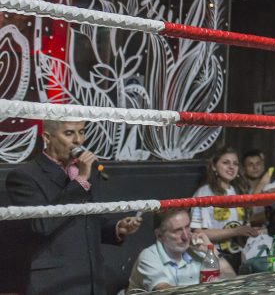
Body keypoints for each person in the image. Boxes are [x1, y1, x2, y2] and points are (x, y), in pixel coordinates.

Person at [5, 119, 142, 295]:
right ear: (47, 137)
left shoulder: (86, 172)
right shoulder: (25, 177)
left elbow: (85, 222)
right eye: (69, 133)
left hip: (91, 279)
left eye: (82, 132)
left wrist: (116, 228)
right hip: (55, 282)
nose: (78, 140)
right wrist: (80, 181)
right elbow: (40, 224)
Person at [127, 208, 235, 292]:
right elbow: (166, 291)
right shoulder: (149, 257)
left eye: (187, 227)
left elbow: (232, 281)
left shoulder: (197, 250)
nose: (185, 236)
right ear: (159, 235)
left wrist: (211, 251)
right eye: (177, 230)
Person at [190, 146, 261, 271]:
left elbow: (244, 225)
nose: (231, 167)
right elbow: (199, 233)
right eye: (225, 162)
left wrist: (249, 231)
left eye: (235, 163)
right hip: (215, 256)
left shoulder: (240, 191)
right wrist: (236, 231)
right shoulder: (203, 193)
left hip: (241, 255)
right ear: (213, 166)